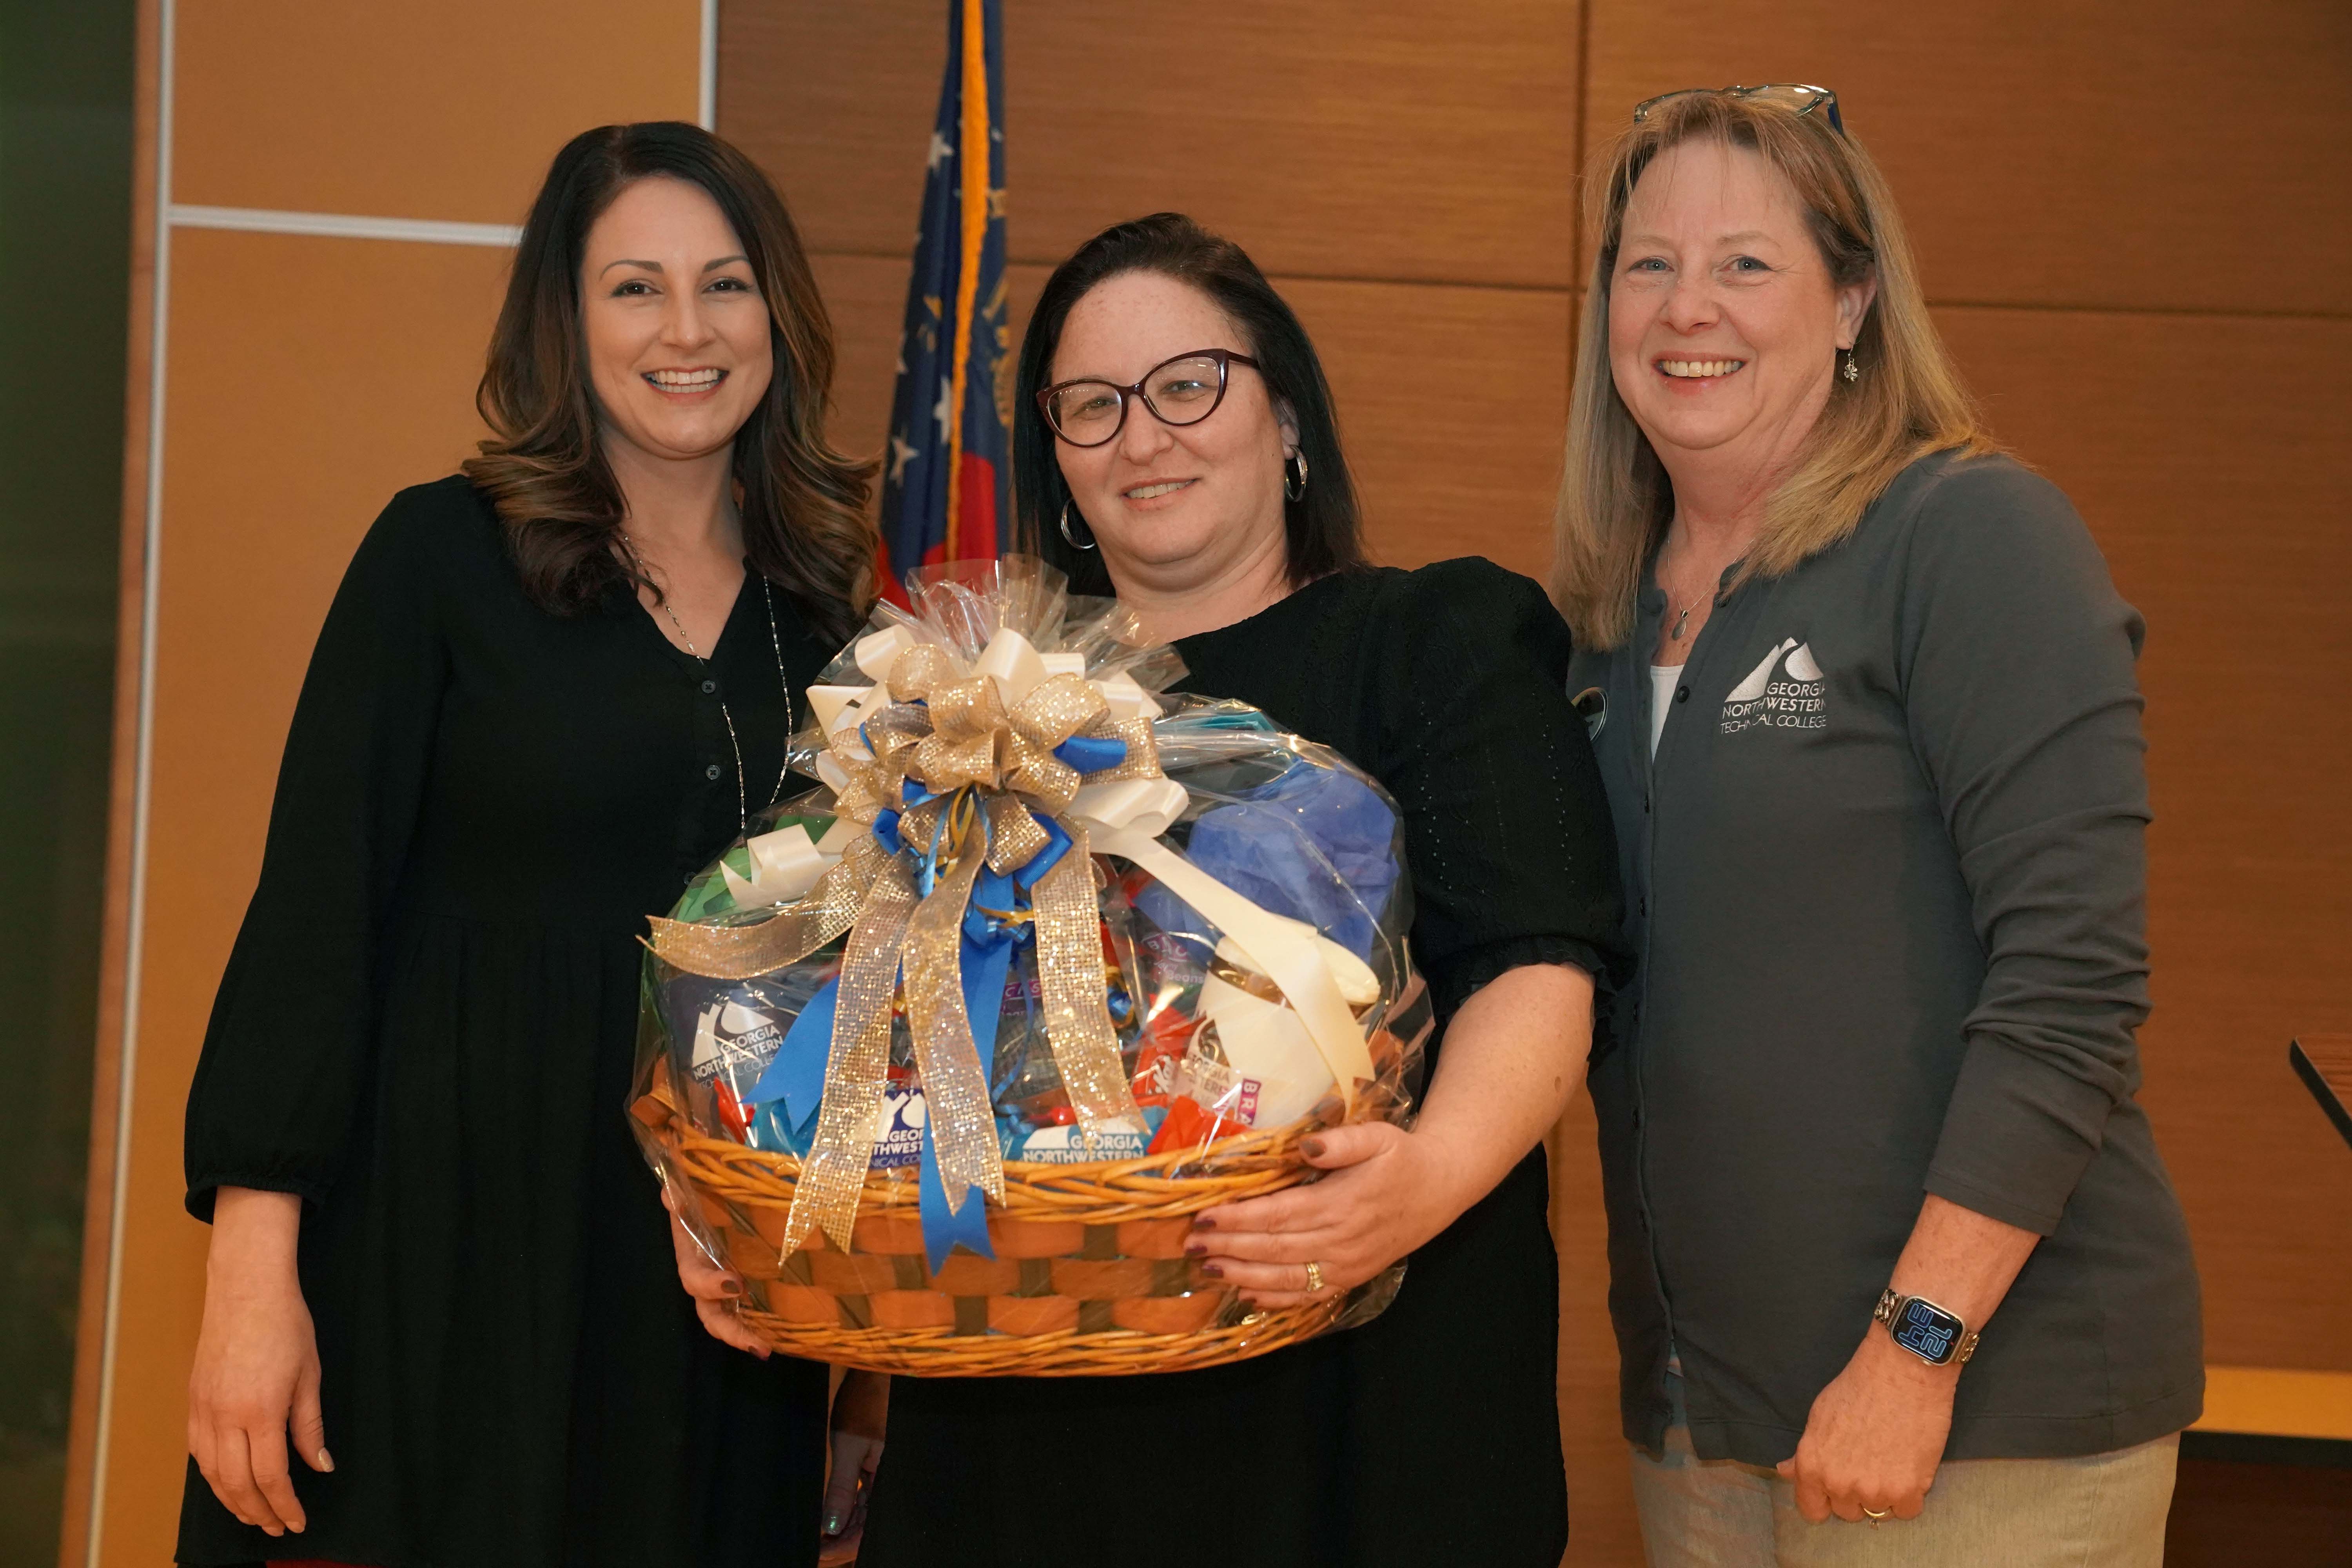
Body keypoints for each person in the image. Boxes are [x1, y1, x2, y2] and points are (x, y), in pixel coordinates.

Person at [686, 209, 1625, 1566]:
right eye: (1092, 407)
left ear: (1288, 417)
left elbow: (1545, 965)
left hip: (1356, 1396)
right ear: (1059, 468)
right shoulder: (959, 707)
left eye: (1191, 385)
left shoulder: (1434, 644)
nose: (1144, 434)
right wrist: (747, 1205)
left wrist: (1420, 1187)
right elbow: (820, 1016)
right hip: (1027, 1425)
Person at [177, 121, 873, 1568]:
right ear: (564, 320)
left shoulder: (831, 623)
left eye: (724, 284)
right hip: (431, 1245)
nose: (686, 330)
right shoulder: (440, 555)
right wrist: (254, 1276)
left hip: (700, 1298)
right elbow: (315, 912)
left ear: (778, 316)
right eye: (635, 288)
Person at [1553, 85, 2203, 1565]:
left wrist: (1916, 1352)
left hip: (1977, 1422)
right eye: (1646, 264)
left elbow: (2073, 986)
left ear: (1853, 300)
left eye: (1746, 264)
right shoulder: (1605, 621)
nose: (1685, 307)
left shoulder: (1968, 538)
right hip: (1704, 1424)